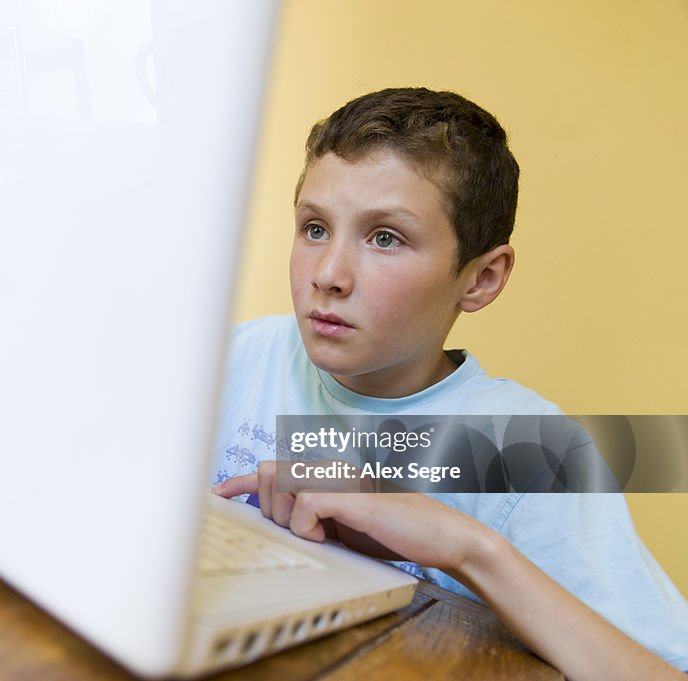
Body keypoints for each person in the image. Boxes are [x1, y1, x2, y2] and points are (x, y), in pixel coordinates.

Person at [210, 87, 688, 679]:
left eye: (385, 237)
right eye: (314, 228)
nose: (328, 275)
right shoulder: (234, 357)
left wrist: (469, 549)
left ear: (482, 278)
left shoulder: (527, 451)